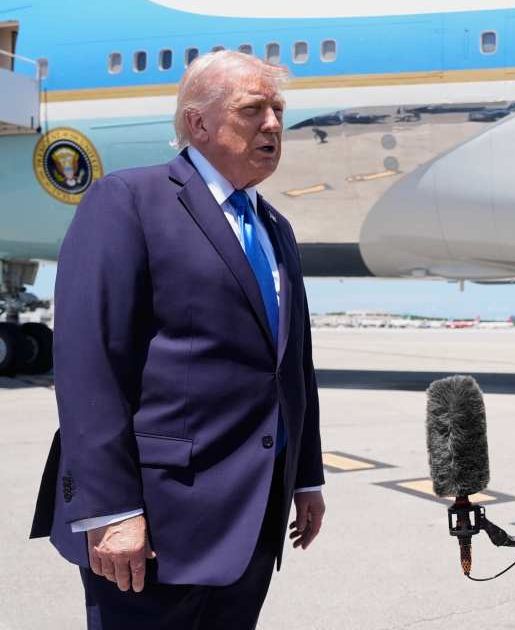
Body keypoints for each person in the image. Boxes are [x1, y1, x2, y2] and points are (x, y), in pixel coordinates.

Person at [29, 51, 325, 629]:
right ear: (198, 123)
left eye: (278, 110)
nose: (272, 124)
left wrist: (305, 475)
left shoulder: (273, 227)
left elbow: (291, 365)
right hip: (157, 521)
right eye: (253, 109)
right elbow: (90, 367)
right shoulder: (129, 202)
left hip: (253, 513)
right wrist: (112, 511)